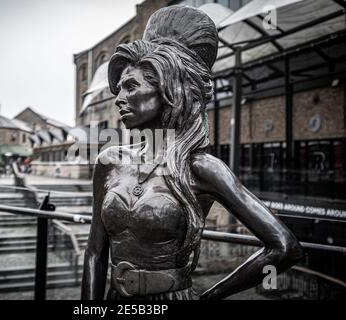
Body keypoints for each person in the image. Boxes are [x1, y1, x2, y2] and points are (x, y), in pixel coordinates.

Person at [81, 5, 303, 300]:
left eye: (131, 87)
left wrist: (209, 297)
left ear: (169, 89)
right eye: (119, 88)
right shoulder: (109, 161)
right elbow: (95, 252)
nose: (119, 99)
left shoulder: (202, 168)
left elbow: (284, 247)